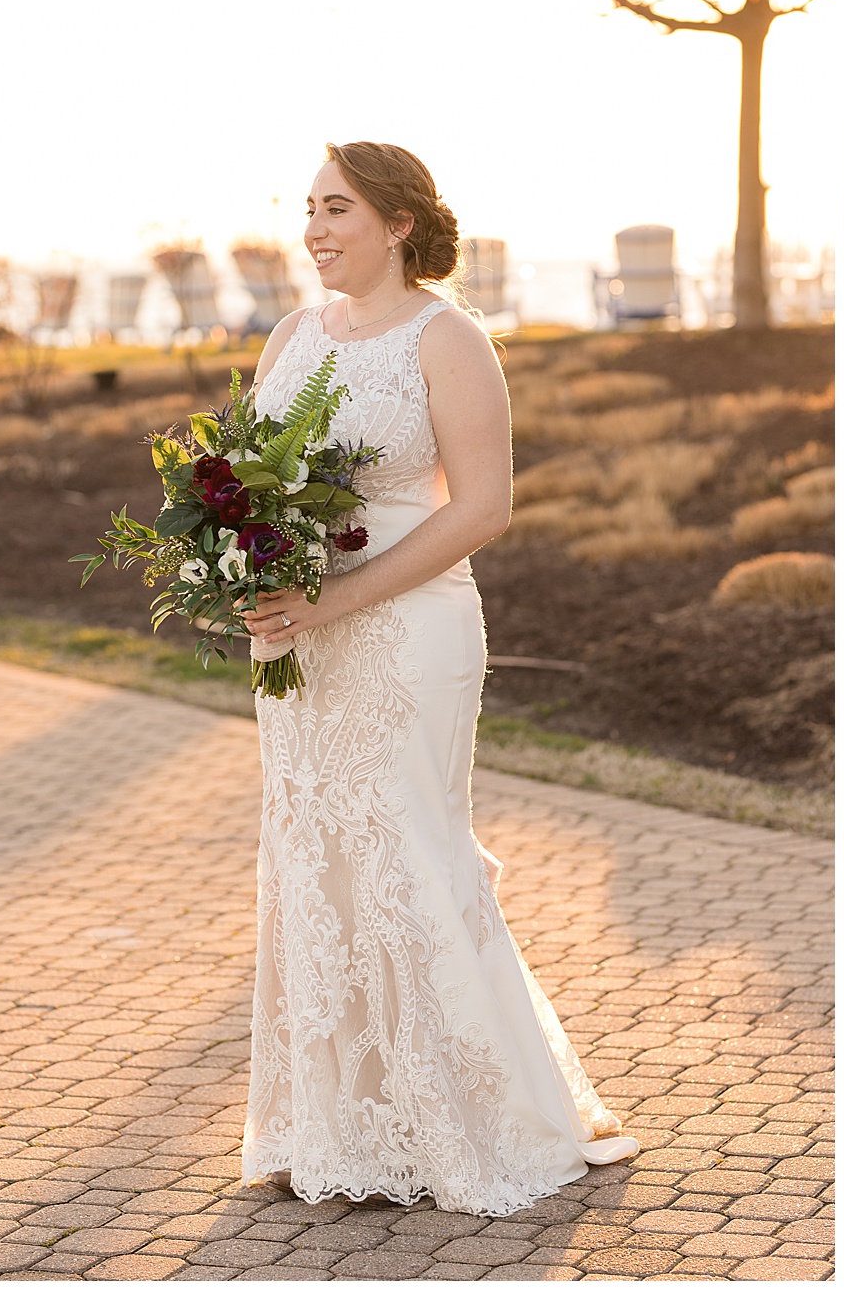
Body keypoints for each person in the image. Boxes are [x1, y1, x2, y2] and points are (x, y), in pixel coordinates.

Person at [236, 141, 639, 1214]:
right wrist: (243, 572)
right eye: (308, 209)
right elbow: (248, 490)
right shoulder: (289, 336)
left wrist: (337, 599)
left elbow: (482, 507)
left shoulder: (449, 337)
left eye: (338, 209)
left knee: (408, 847)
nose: (315, 229)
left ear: (399, 221)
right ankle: (338, 1124)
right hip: (299, 642)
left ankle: (475, 1119)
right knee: (314, 857)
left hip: (411, 632)